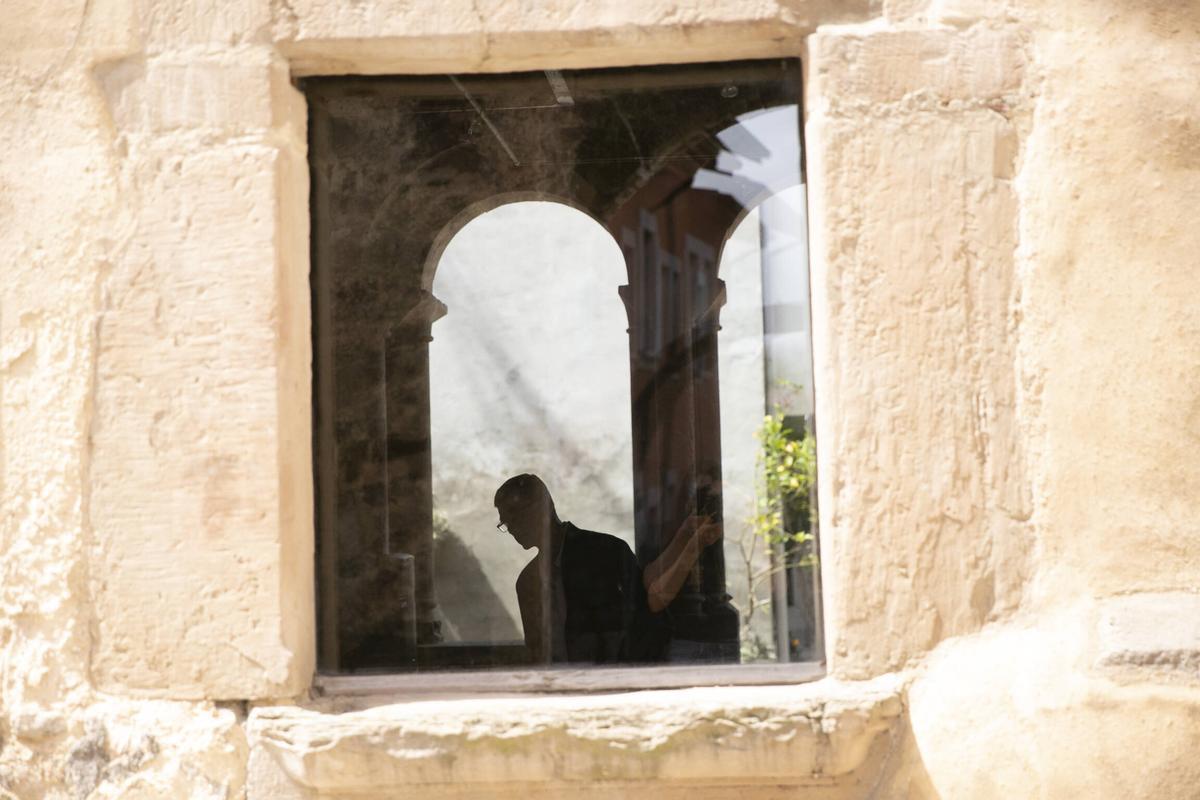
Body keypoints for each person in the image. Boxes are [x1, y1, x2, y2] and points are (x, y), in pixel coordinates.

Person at [494, 473, 720, 665]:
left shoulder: (604, 551)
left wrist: (688, 543)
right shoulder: (527, 582)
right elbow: (536, 653)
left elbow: (646, 608)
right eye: (505, 523)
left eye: (515, 516)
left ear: (543, 507)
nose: (511, 528)